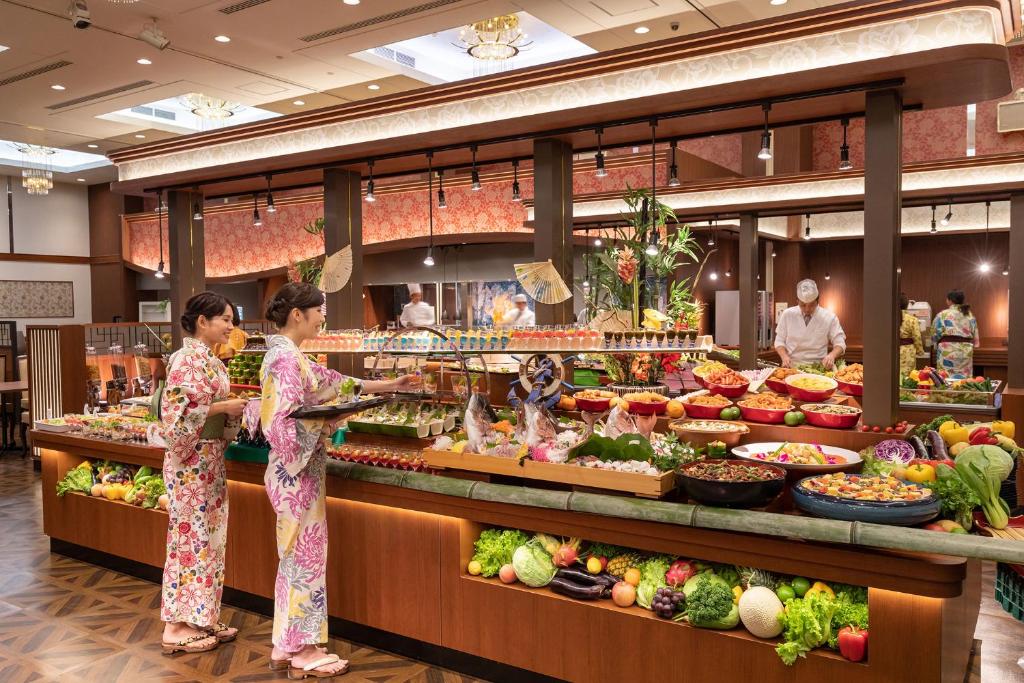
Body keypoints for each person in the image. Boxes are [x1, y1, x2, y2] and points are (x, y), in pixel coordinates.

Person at [260, 282, 420, 678]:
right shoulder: (284, 361)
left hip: (295, 475)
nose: (324, 316)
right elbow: (281, 425)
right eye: (320, 309)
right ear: (298, 314)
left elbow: (334, 383)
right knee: (305, 560)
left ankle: (287, 643)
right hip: (295, 473)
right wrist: (326, 421)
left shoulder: (290, 356)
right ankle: (307, 648)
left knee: (294, 560)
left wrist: (390, 385)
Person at [160, 292, 248, 654]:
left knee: (209, 541)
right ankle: (174, 626)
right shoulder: (185, 360)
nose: (231, 326)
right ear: (202, 321)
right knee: (188, 541)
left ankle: (200, 615)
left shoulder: (211, 361)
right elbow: (175, 418)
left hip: (209, 461)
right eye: (225, 319)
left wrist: (230, 414)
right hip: (190, 464)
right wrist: (225, 406)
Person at [774, 279, 846, 369]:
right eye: (803, 305)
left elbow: (840, 343)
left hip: (820, 367)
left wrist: (831, 355)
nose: (807, 309)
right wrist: (784, 357)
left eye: (812, 305)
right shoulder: (788, 314)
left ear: (818, 301)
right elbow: (779, 341)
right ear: (797, 301)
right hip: (792, 366)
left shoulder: (829, 317)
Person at [932, 289, 980, 378]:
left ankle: (945, 392)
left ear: (949, 300)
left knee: (945, 377)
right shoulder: (969, 315)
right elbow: (975, 335)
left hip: (947, 350)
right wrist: (975, 345)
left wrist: (935, 345)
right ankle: (964, 392)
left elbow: (935, 333)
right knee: (964, 378)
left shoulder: (942, 314)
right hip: (965, 350)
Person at [899, 294, 924, 378]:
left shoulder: (888, 318)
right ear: (907, 305)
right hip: (907, 351)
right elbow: (917, 337)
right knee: (907, 377)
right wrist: (920, 351)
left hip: (890, 351)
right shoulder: (912, 319)